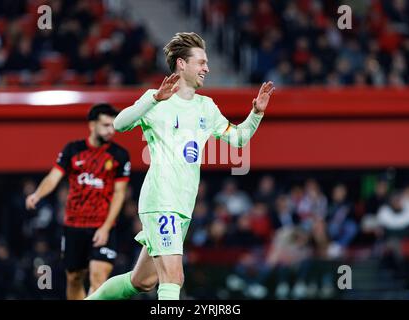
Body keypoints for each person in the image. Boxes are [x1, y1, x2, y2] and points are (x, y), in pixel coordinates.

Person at [86, 32, 275, 301]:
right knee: (174, 276)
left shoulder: (206, 107)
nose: (207, 68)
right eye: (201, 62)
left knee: (142, 281)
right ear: (181, 64)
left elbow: (238, 138)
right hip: (162, 199)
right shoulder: (157, 99)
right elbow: (118, 124)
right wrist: (153, 100)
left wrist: (256, 113)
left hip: (183, 205)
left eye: (207, 63)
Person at [25, 104, 131, 300]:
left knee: (98, 278)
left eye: (113, 125)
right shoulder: (73, 150)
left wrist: (106, 227)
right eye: (106, 125)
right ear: (92, 125)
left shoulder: (119, 155)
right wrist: (37, 195)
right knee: (74, 278)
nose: (111, 130)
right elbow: (53, 177)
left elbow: (119, 193)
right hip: (74, 226)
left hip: (103, 226)